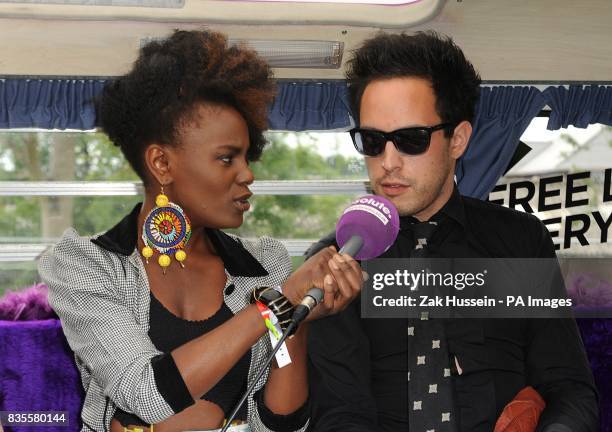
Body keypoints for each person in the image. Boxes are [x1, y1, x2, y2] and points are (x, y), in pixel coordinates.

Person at [38, 29, 364, 432]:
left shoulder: (265, 262)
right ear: (162, 163)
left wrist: (295, 319)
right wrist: (272, 306)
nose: (248, 174)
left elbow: (281, 424)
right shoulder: (83, 265)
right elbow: (143, 394)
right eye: (227, 158)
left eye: (248, 156)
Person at [305, 31, 599, 432]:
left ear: (457, 139)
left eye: (411, 139)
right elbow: (340, 414)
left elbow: (570, 390)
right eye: (373, 140)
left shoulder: (519, 242)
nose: (387, 162)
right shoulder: (336, 262)